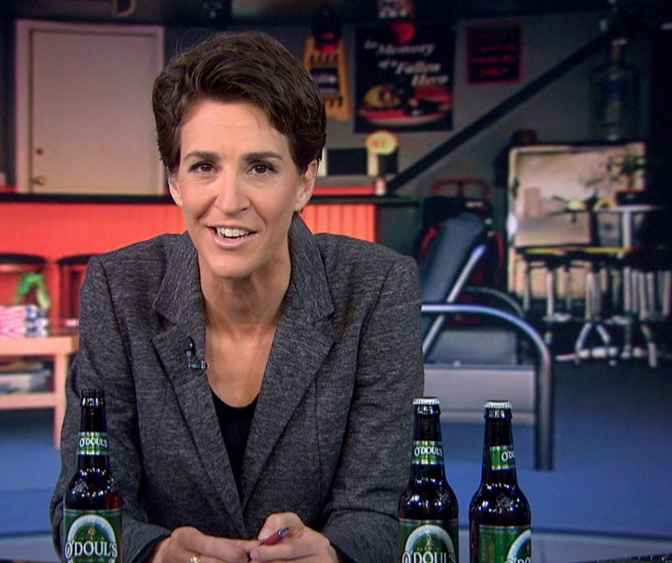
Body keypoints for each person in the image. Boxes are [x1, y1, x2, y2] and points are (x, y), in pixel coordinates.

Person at [50, 31, 423, 563]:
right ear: (175, 182)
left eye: (260, 167)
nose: (229, 201)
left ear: (304, 182)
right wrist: (153, 553)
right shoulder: (119, 289)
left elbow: (388, 507)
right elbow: (81, 508)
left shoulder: (377, 289)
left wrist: (334, 554)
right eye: (204, 167)